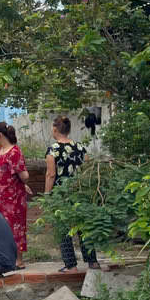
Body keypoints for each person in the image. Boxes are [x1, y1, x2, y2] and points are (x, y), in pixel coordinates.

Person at [45, 116, 100, 272]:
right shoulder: (80, 147)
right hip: (80, 193)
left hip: (60, 196)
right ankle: (93, 262)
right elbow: (88, 170)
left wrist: (47, 196)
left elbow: (50, 175)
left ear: (55, 129)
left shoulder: (53, 150)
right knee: (84, 227)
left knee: (63, 228)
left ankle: (71, 266)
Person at [0, 121, 31, 265]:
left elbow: (24, 175)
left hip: (13, 198)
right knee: (3, 226)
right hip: (1, 197)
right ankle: (7, 256)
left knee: (16, 226)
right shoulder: (1, 150)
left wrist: (23, 184)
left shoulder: (14, 152)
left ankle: (18, 259)